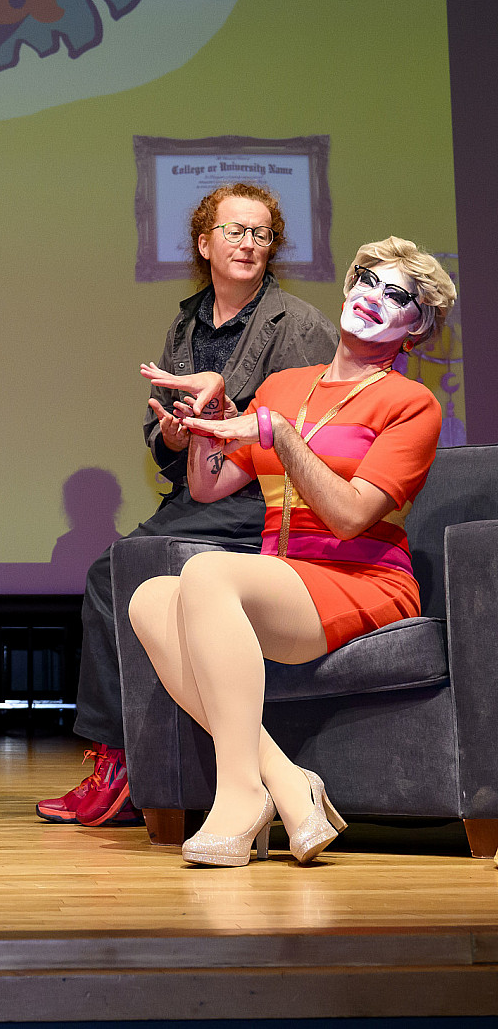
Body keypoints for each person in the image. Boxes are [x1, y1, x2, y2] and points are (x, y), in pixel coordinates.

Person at [128, 237, 455, 866]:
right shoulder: (284, 385)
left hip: (363, 579)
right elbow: (209, 485)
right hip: (286, 578)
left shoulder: (413, 404)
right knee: (150, 598)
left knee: (206, 573)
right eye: (366, 280)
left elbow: (351, 516)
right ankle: (286, 781)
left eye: (397, 295)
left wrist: (277, 431)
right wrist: (208, 416)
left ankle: (239, 794)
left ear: (415, 329)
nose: (372, 297)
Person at [37, 183, 338, 827]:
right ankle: (120, 761)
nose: (248, 243)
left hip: (264, 500)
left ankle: (122, 763)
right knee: (114, 572)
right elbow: (164, 436)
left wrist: (228, 419)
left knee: (112, 573)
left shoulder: (299, 325)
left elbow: (314, 432)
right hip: (197, 494)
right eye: (234, 231)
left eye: (260, 233)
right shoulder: (186, 322)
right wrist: (176, 435)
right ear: (205, 243)